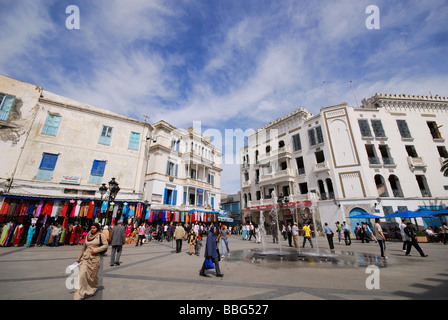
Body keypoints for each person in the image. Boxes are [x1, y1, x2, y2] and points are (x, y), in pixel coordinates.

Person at [74, 223, 108, 300]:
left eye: (94, 228)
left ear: (97, 228)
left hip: (94, 259)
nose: (92, 229)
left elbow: (105, 245)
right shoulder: (88, 236)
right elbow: (83, 248)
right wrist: (79, 258)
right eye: (91, 228)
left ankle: (93, 288)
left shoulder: (100, 235)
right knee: (81, 275)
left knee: (92, 276)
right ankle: (78, 294)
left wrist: (96, 250)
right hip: (85, 258)